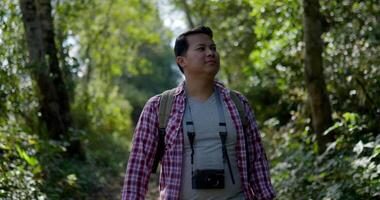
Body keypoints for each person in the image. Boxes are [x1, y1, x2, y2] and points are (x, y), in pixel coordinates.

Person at [121, 26, 276, 200]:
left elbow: (257, 161)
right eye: (201, 48)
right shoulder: (159, 107)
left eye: (213, 48)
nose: (210, 53)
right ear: (181, 61)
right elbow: (138, 168)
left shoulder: (238, 103)